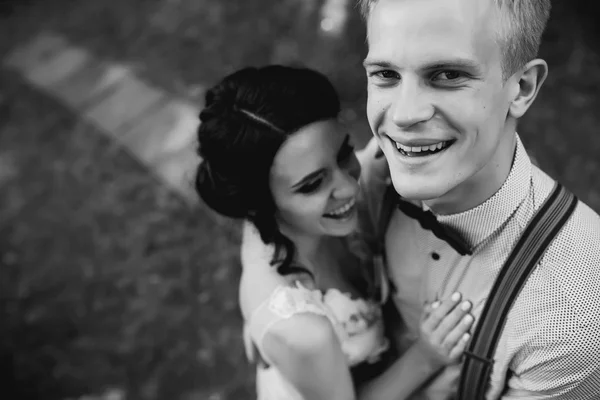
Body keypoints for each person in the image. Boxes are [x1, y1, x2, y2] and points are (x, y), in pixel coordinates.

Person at [358, 0, 600, 398]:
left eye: (447, 75)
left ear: (521, 88)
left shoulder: (572, 313)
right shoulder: (378, 169)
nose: (403, 116)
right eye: (386, 74)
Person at [194, 65, 475, 400]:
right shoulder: (301, 329)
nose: (348, 187)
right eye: (313, 184)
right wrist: (426, 357)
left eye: (342, 154)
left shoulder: (287, 218)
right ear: (260, 205)